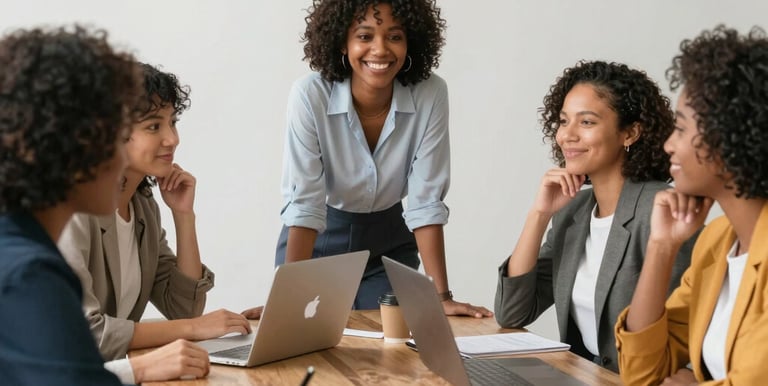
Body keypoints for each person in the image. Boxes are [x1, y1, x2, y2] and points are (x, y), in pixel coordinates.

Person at [244, 0, 491, 317]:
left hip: (389, 245)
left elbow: (426, 200)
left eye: (395, 36)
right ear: (342, 42)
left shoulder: (430, 93)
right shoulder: (310, 95)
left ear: (411, 41)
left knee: (393, 335)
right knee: (305, 335)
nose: (380, 49)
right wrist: (288, 297)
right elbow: (305, 204)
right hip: (318, 241)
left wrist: (441, 297)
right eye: (364, 36)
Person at [0, 25, 207, 385]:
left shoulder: (23, 250)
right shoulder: (29, 276)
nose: (121, 156)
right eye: (113, 136)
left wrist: (184, 216)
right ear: (71, 145)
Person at [494, 61, 698, 372]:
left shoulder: (661, 211)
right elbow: (512, 313)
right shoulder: (574, 211)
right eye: (564, 121)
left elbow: (684, 335)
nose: (567, 135)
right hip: (584, 376)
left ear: (630, 133)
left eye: (586, 122)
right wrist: (539, 214)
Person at [57, 63, 252, 375]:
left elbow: (183, 307)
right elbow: (83, 333)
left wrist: (183, 216)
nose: (172, 138)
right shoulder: (73, 209)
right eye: (153, 127)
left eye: (172, 122)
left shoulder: (143, 205)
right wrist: (192, 329)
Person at [615, 25, 768, 385]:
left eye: (681, 129)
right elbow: (642, 373)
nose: (668, 145)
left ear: (730, 139)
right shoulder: (717, 240)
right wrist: (661, 246)